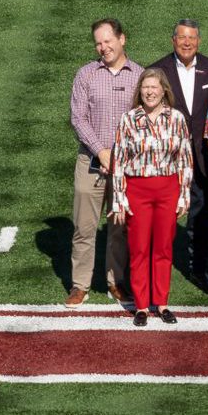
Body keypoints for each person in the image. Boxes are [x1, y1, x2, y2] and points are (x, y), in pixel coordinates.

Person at [109, 68, 193, 326]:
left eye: (154, 87)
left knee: (164, 247)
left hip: (168, 188)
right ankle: (142, 306)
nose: (150, 92)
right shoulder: (128, 119)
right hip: (137, 189)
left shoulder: (177, 118)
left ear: (164, 90)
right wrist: (119, 199)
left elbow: (185, 159)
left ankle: (162, 302)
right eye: (145, 87)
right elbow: (120, 161)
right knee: (139, 247)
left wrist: (183, 194)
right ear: (139, 91)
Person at [66, 17, 141, 308]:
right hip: (91, 161)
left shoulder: (139, 74)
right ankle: (80, 284)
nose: (103, 47)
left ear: (122, 39)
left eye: (108, 41)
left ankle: (115, 281)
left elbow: (142, 120)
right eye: (98, 43)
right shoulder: (85, 74)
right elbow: (78, 118)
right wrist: (101, 151)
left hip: (126, 164)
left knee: (119, 225)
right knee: (84, 226)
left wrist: (120, 154)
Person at [149, 19, 208, 290]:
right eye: (182, 37)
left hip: (203, 158)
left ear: (199, 41)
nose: (186, 43)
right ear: (173, 40)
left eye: (192, 38)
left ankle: (198, 269)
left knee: (201, 214)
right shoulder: (157, 70)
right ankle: (156, 271)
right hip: (167, 159)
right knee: (163, 216)